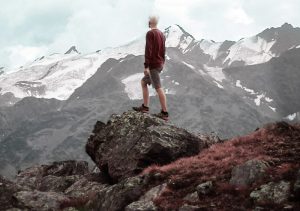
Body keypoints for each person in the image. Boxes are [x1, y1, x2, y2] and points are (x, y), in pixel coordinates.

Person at [132, 16, 169, 121]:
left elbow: (148, 50)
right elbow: (163, 50)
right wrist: (162, 62)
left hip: (153, 65)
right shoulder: (162, 34)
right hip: (159, 64)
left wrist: (146, 66)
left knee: (158, 87)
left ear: (150, 22)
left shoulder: (150, 33)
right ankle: (145, 107)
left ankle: (165, 113)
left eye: (148, 20)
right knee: (144, 82)